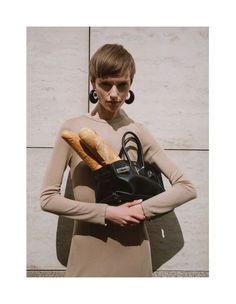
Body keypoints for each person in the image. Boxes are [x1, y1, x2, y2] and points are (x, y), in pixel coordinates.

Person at [40, 43, 197, 277]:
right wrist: (108, 213)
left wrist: (142, 210)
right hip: (87, 254)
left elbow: (187, 188)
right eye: (105, 84)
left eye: (121, 85)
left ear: (130, 84)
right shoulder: (71, 129)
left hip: (134, 255)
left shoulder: (138, 133)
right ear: (93, 82)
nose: (114, 94)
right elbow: (48, 199)